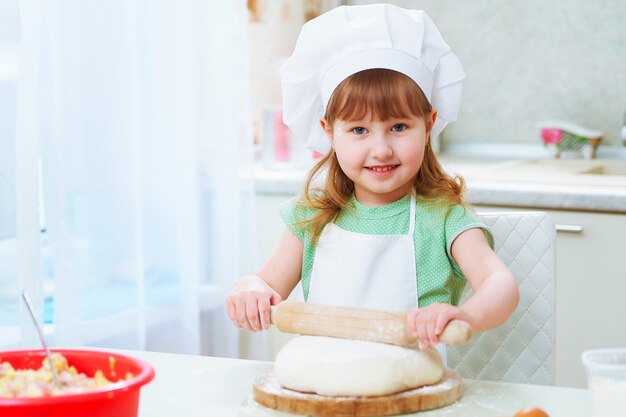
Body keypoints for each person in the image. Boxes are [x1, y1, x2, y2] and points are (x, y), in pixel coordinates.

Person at [226, 4, 519, 357]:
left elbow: (499, 284)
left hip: (411, 396)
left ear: (428, 126)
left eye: (398, 127)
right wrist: (250, 288)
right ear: (330, 133)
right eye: (359, 130)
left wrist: (466, 315)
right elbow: (265, 282)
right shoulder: (312, 217)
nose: (381, 150)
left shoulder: (443, 218)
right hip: (323, 393)